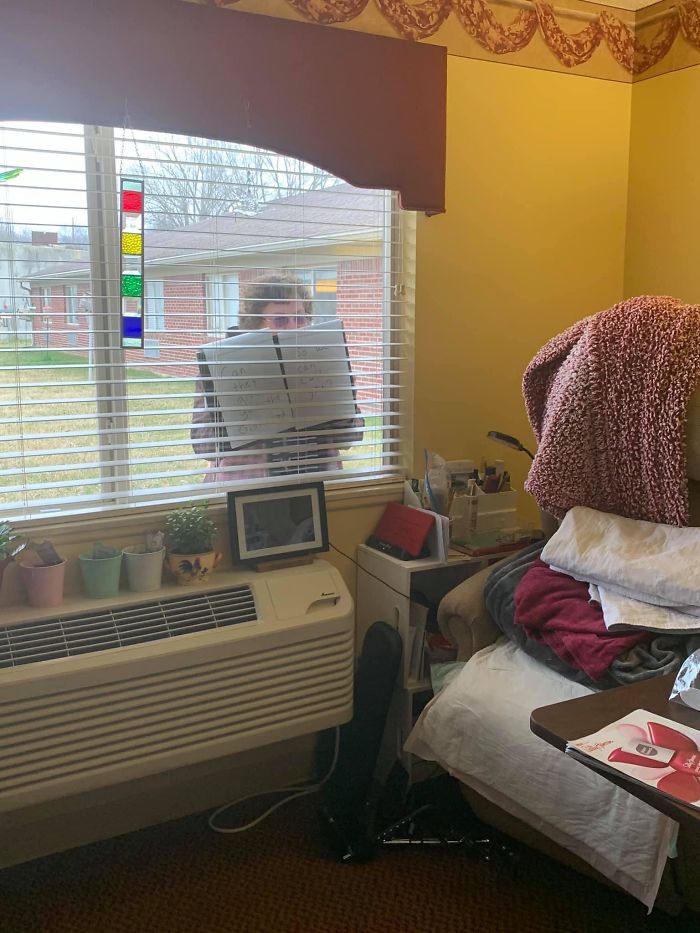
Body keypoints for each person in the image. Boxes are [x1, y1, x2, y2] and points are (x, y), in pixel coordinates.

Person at [191, 273, 363, 484]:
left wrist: (338, 409)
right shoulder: (222, 365)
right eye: (281, 320)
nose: (294, 328)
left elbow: (351, 437)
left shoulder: (326, 361)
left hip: (317, 484)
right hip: (248, 489)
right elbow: (203, 445)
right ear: (254, 324)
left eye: (300, 318)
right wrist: (249, 420)